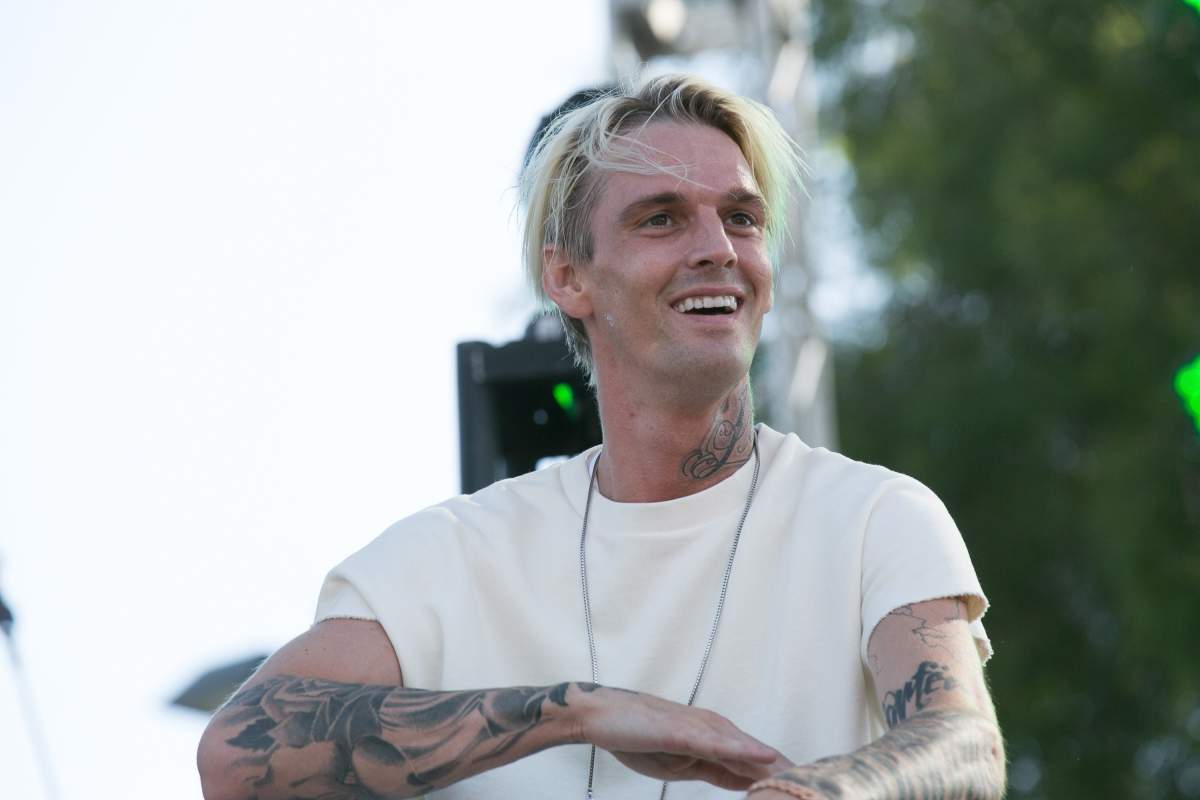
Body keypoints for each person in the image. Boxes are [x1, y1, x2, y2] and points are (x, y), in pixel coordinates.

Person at [197, 74, 1006, 800]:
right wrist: (576, 711)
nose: (718, 249)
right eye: (663, 219)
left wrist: (818, 794)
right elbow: (236, 754)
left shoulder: (873, 516)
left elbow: (964, 747)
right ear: (568, 278)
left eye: (742, 218)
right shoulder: (452, 555)